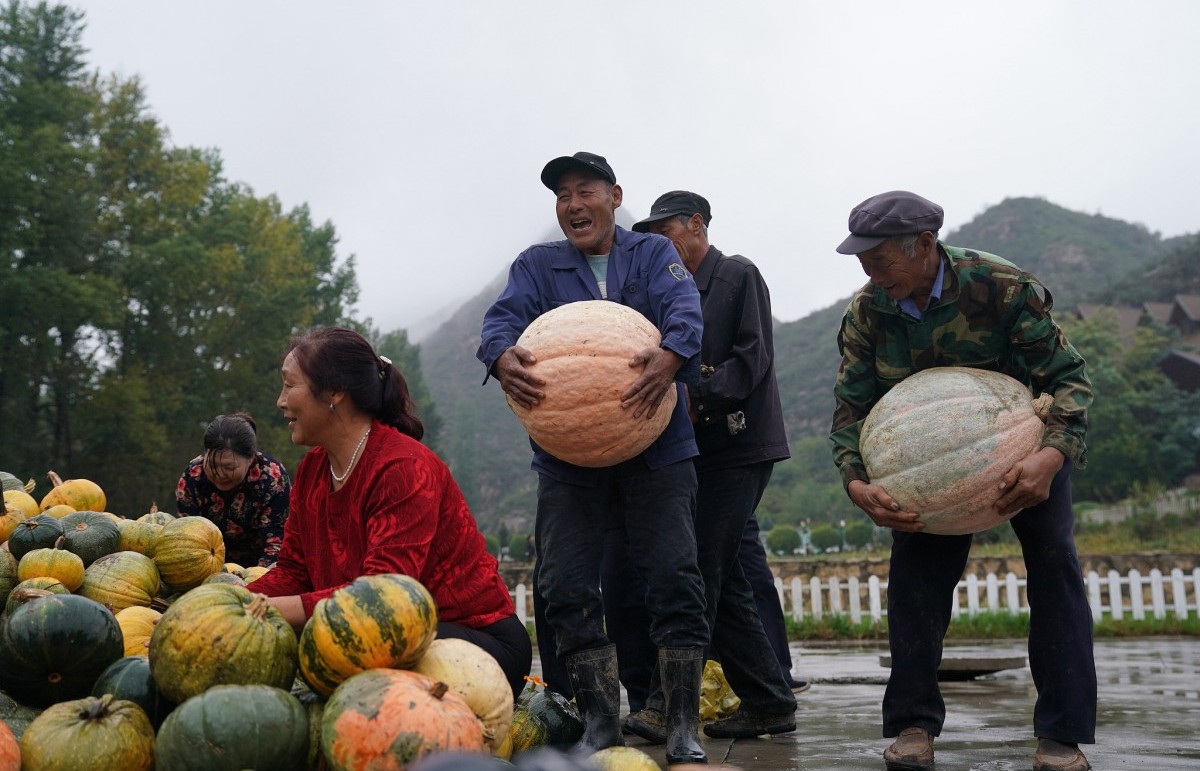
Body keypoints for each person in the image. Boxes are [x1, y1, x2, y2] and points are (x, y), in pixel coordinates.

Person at [829, 190, 1096, 771]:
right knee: (915, 585)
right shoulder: (870, 311)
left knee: (1055, 568)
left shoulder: (1001, 287)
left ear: (924, 245)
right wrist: (856, 481)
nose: (871, 274)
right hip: (930, 470)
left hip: (1031, 451)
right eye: (863, 263)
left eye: (879, 260)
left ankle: (1062, 734)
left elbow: (1071, 381)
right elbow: (850, 409)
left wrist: (1051, 458)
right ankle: (913, 726)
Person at [477, 151, 710, 764]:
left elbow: (686, 314)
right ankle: (602, 721)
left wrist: (671, 355)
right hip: (567, 455)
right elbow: (500, 324)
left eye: (585, 191)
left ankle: (684, 722)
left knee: (673, 577)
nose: (573, 205)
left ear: (615, 196)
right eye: (562, 196)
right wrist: (499, 356)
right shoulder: (535, 265)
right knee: (565, 584)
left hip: (657, 447)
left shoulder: (654, 255)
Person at [247, 327, 531, 700]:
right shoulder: (313, 469)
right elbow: (294, 572)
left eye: (289, 385)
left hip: (474, 640)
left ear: (334, 392)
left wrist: (277, 609)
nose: (281, 401)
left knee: (362, 657)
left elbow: (383, 598)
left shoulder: (403, 468)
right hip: (377, 631)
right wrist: (237, 601)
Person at [624, 190, 797, 742]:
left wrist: (690, 396)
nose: (657, 242)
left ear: (697, 224)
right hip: (697, 453)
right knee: (724, 579)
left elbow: (752, 362)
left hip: (741, 450)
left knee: (699, 573)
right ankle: (770, 700)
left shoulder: (738, 276)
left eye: (666, 229)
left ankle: (665, 704)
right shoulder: (665, 290)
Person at [175, 412, 291, 568]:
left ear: (250, 458)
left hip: (260, 569)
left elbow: (275, 545)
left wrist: (254, 582)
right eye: (213, 465)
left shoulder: (273, 479)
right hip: (205, 567)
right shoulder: (193, 475)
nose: (219, 474)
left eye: (229, 467)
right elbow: (187, 538)